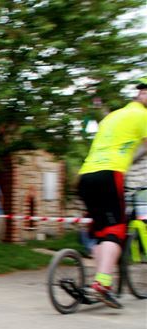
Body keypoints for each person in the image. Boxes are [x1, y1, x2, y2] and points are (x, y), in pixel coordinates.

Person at [77, 76, 147, 308]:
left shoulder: (114, 116)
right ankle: (103, 284)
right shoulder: (143, 116)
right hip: (110, 174)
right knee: (116, 230)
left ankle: (98, 280)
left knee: (100, 231)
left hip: (86, 175)